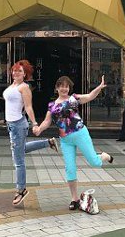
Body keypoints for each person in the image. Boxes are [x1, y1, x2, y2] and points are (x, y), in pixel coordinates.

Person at [33, 75, 113, 210]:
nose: (64, 89)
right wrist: (39, 129)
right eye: (61, 86)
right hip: (65, 140)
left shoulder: (73, 99)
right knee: (70, 169)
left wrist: (99, 87)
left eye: (67, 86)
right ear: (57, 88)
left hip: (80, 134)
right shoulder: (52, 105)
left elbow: (89, 96)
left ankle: (104, 156)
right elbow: (47, 121)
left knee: (94, 162)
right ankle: (74, 199)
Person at [4, 60, 57, 206]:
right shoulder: (13, 85)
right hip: (12, 125)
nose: (16, 73)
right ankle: (48, 142)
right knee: (21, 150)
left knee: (18, 160)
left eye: (20, 71)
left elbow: (28, 107)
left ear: (25, 74)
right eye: (14, 70)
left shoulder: (24, 87)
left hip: (18, 125)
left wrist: (34, 123)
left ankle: (21, 190)